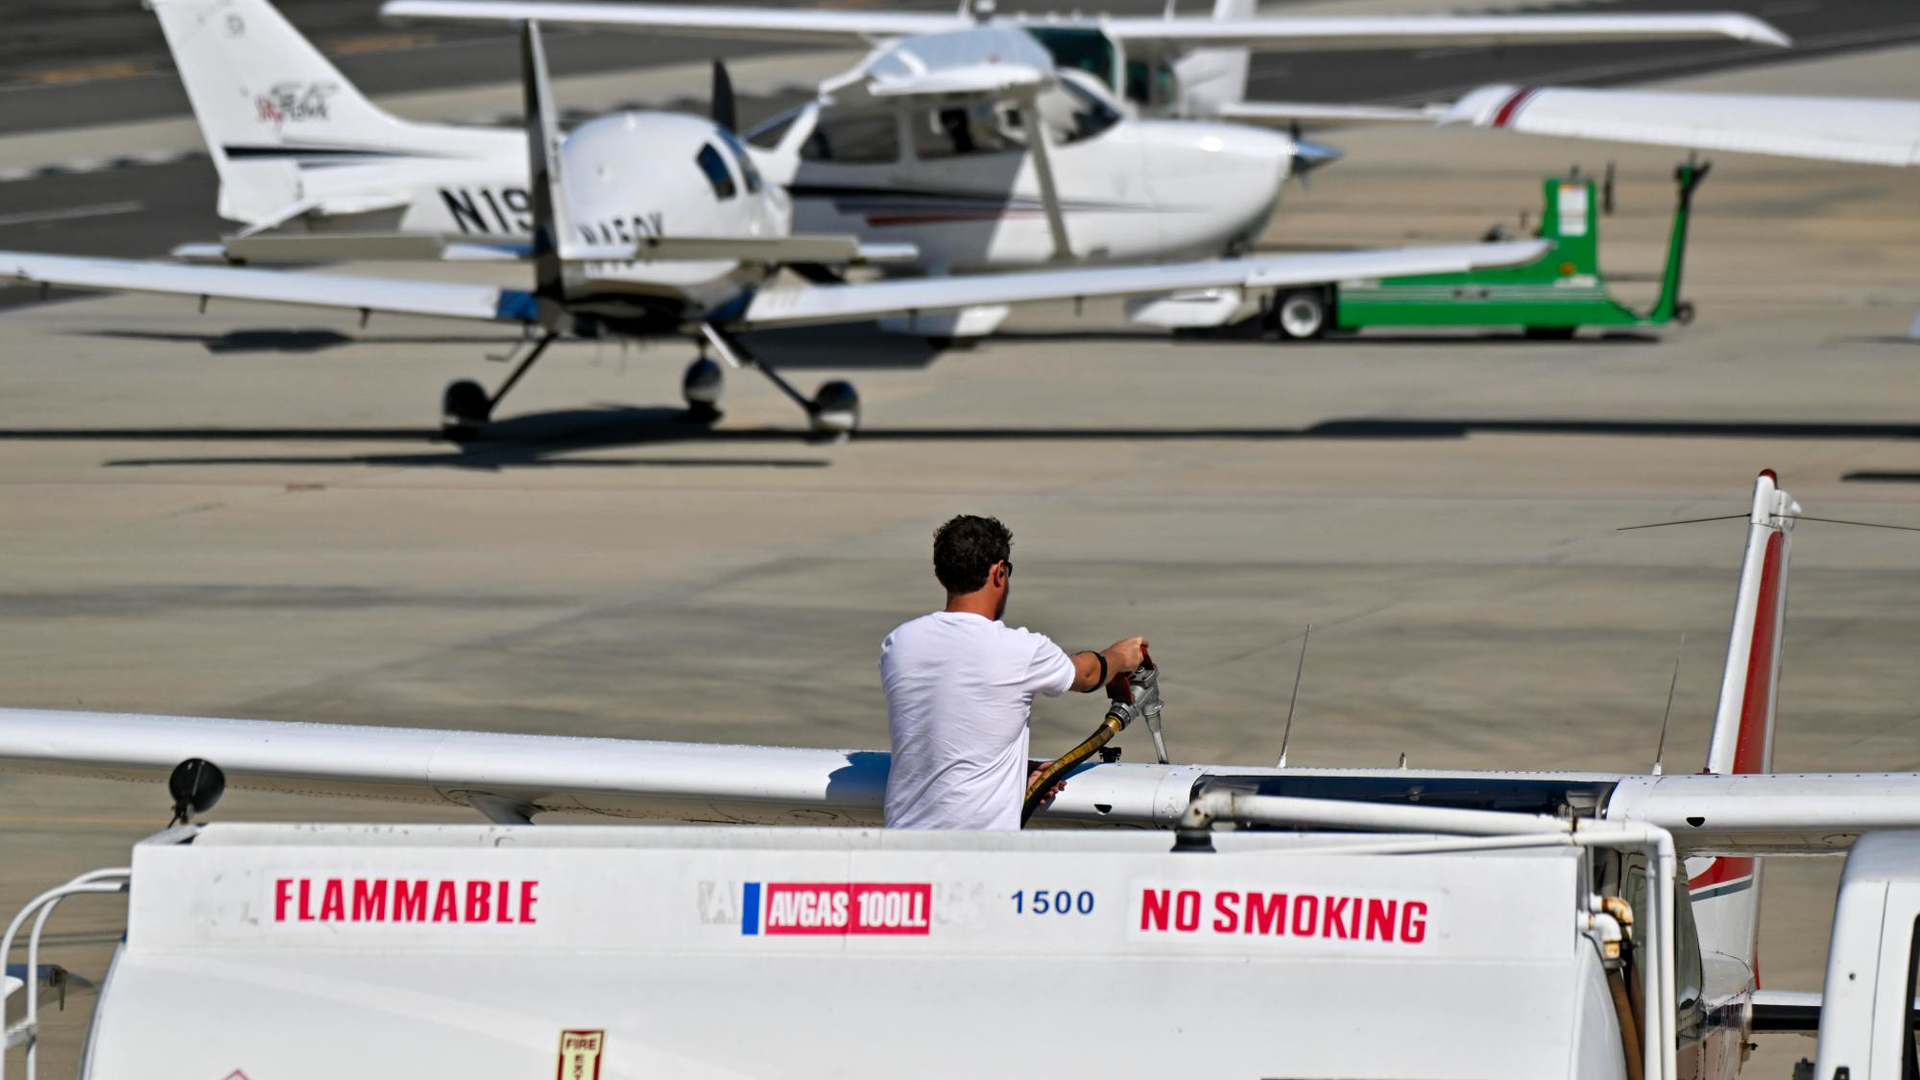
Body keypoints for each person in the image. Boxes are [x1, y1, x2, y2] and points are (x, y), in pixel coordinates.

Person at [880, 514, 1148, 830]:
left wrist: (1014, 771)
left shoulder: (899, 644)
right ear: (1000, 573)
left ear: (940, 574)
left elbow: (944, 729)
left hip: (901, 850)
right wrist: (1119, 656)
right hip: (980, 856)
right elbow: (1087, 675)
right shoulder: (1020, 649)